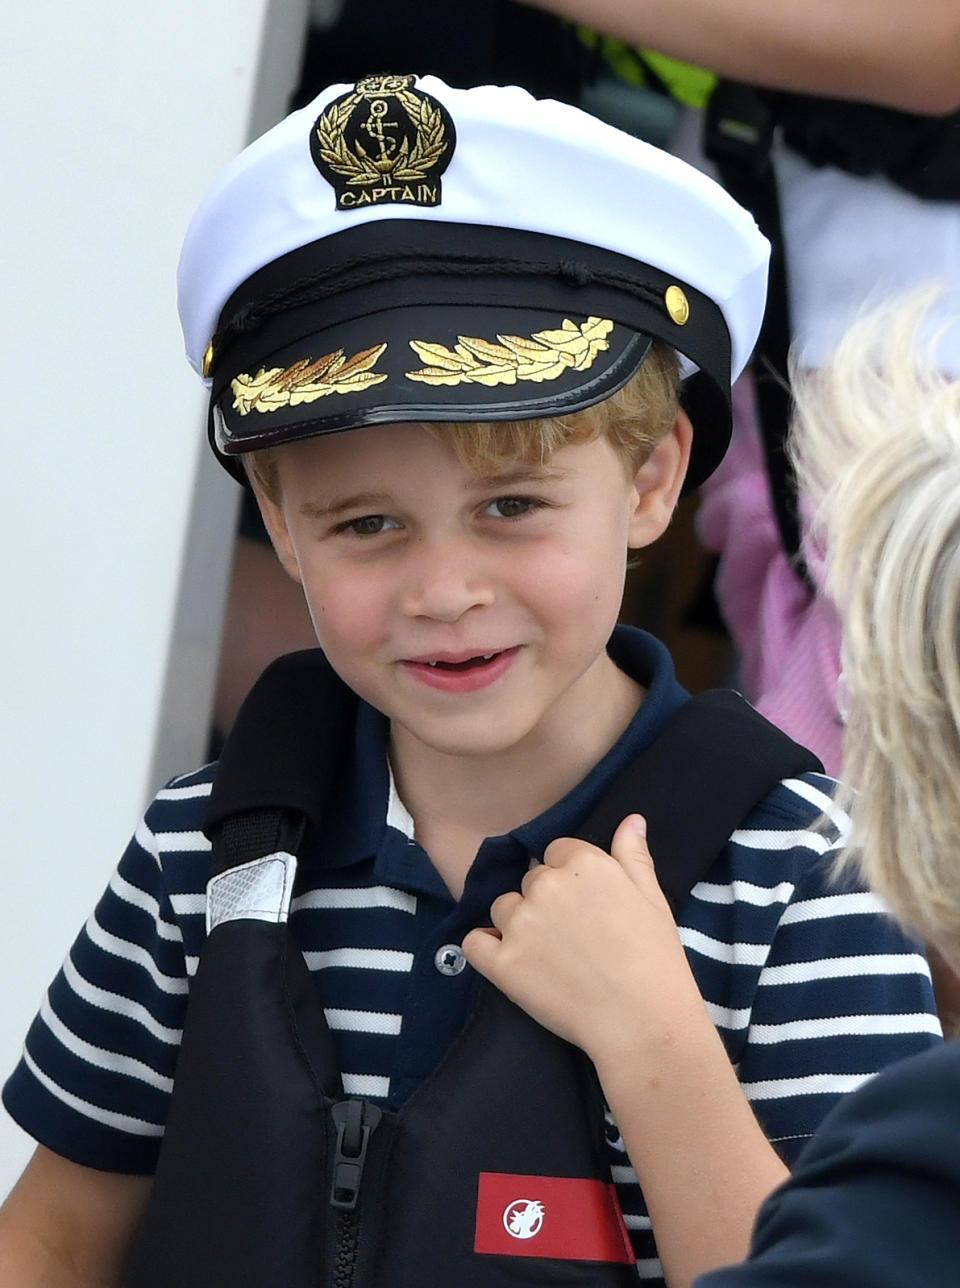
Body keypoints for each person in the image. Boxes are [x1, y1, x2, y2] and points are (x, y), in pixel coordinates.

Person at [0, 75, 941, 1288]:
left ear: (653, 481)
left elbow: (853, 1270)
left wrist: (654, 1040)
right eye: (366, 525)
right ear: (280, 527)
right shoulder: (202, 854)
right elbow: (56, 1237)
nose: (443, 590)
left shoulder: (807, 884)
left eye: (511, 506)